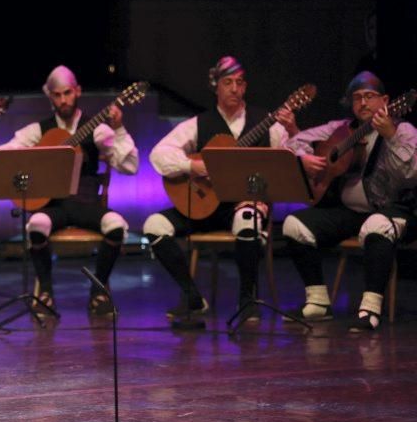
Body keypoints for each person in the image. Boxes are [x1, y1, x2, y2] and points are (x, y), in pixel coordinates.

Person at [144, 56, 299, 322]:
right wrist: (195, 167)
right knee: (154, 226)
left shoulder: (267, 122)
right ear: (216, 86)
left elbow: (293, 159)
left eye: (240, 83)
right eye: (228, 82)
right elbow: (158, 155)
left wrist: (293, 130)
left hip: (244, 204)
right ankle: (192, 295)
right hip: (204, 207)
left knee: (247, 221)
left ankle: (247, 300)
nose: (234, 89)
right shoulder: (198, 124)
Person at [0, 65, 139, 316]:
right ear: (50, 96)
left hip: (86, 204)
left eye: (68, 93)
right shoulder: (37, 131)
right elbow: (4, 156)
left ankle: (97, 290)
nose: (63, 100)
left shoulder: (97, 128)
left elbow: (130, 166)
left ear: (78, 91)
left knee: (116, 225)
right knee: (36, 226)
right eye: (57, 94)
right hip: (53, 206)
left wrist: (117, 129)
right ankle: (46, 292)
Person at [282, 71, 417, 331]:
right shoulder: (340, 129)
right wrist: (303, 158)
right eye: (357, 98)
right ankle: (318, 302)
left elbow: (411, 175)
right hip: (350, 213)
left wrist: (389, 136)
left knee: (376, 224)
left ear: (386, 100)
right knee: (293, 225)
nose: (363, 103)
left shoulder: (403, 129)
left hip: (395, 210)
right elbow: (293, 143)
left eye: (370, 96)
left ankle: (369, 309)